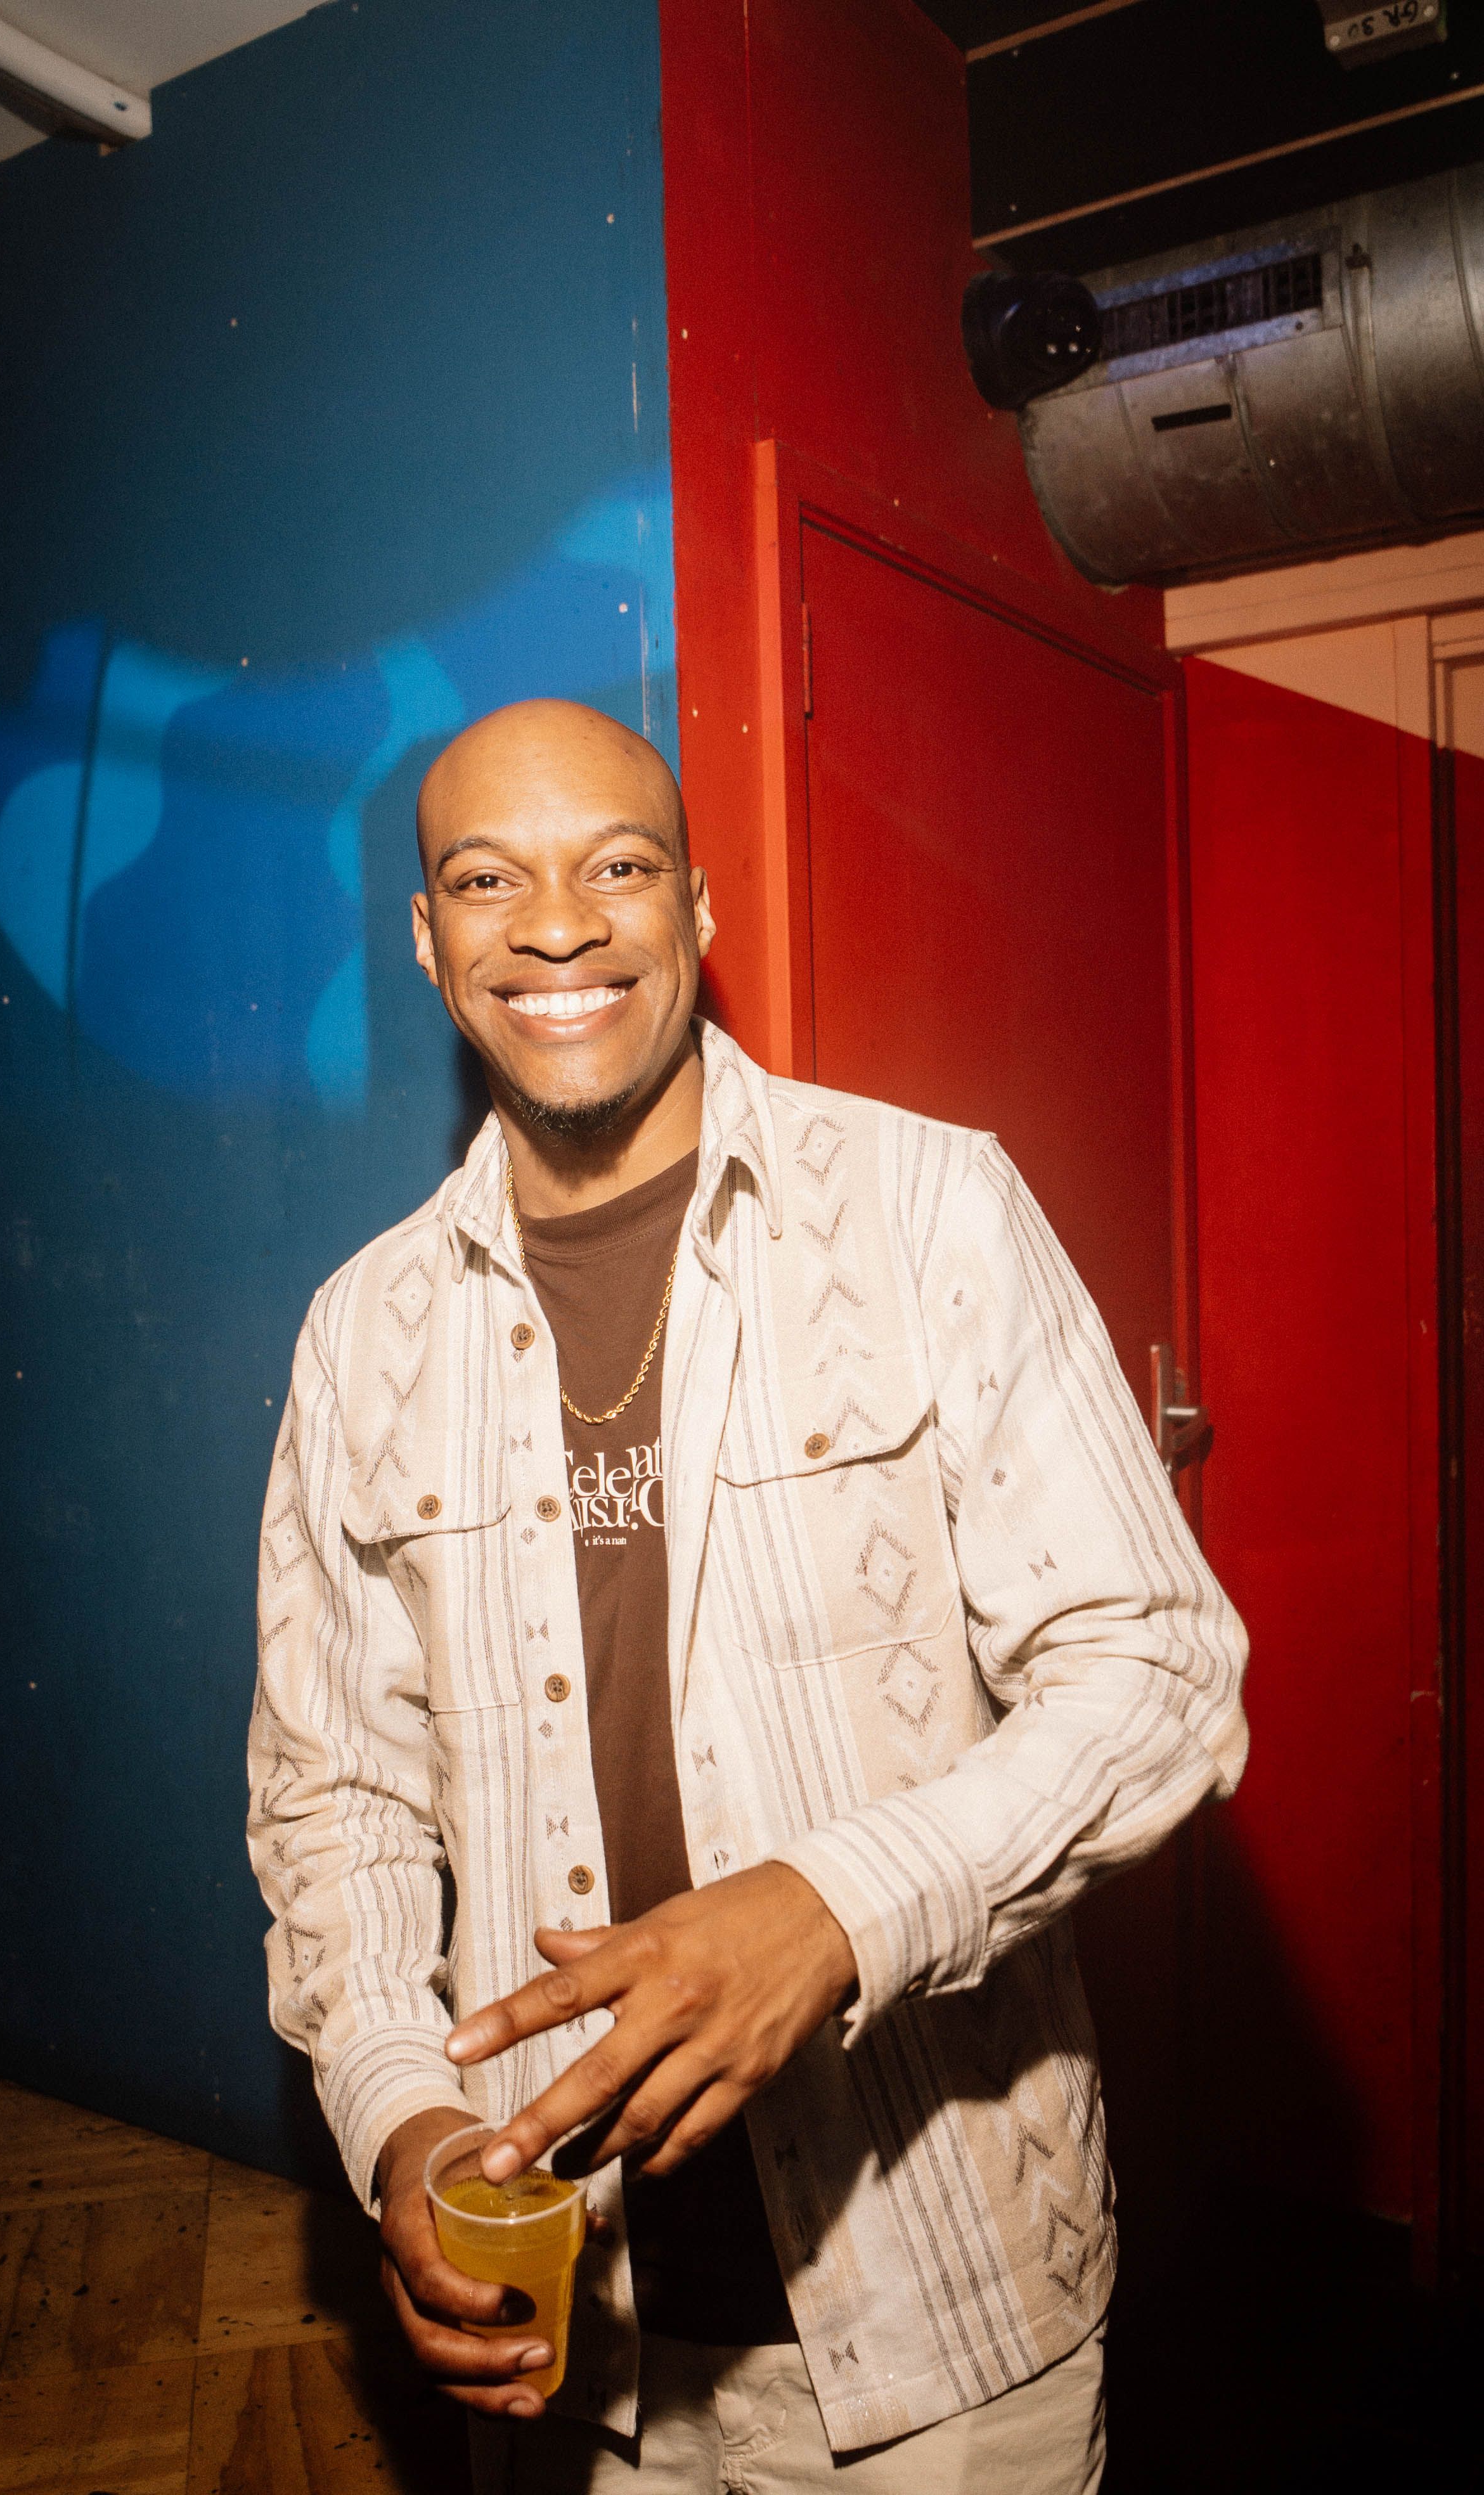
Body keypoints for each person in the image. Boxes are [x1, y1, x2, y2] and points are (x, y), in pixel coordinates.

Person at [248, 699, 1249, 2492]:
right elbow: (337, 1804)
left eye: (619, 867)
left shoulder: (930, 1210)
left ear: (699, 909)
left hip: (946, 2328)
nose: (559, 927)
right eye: (489, 881)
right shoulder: (360, 1333)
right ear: (428, 937)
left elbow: (1157, 1675)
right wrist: (401, 2122)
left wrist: (832, 1910)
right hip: (570, 2341)